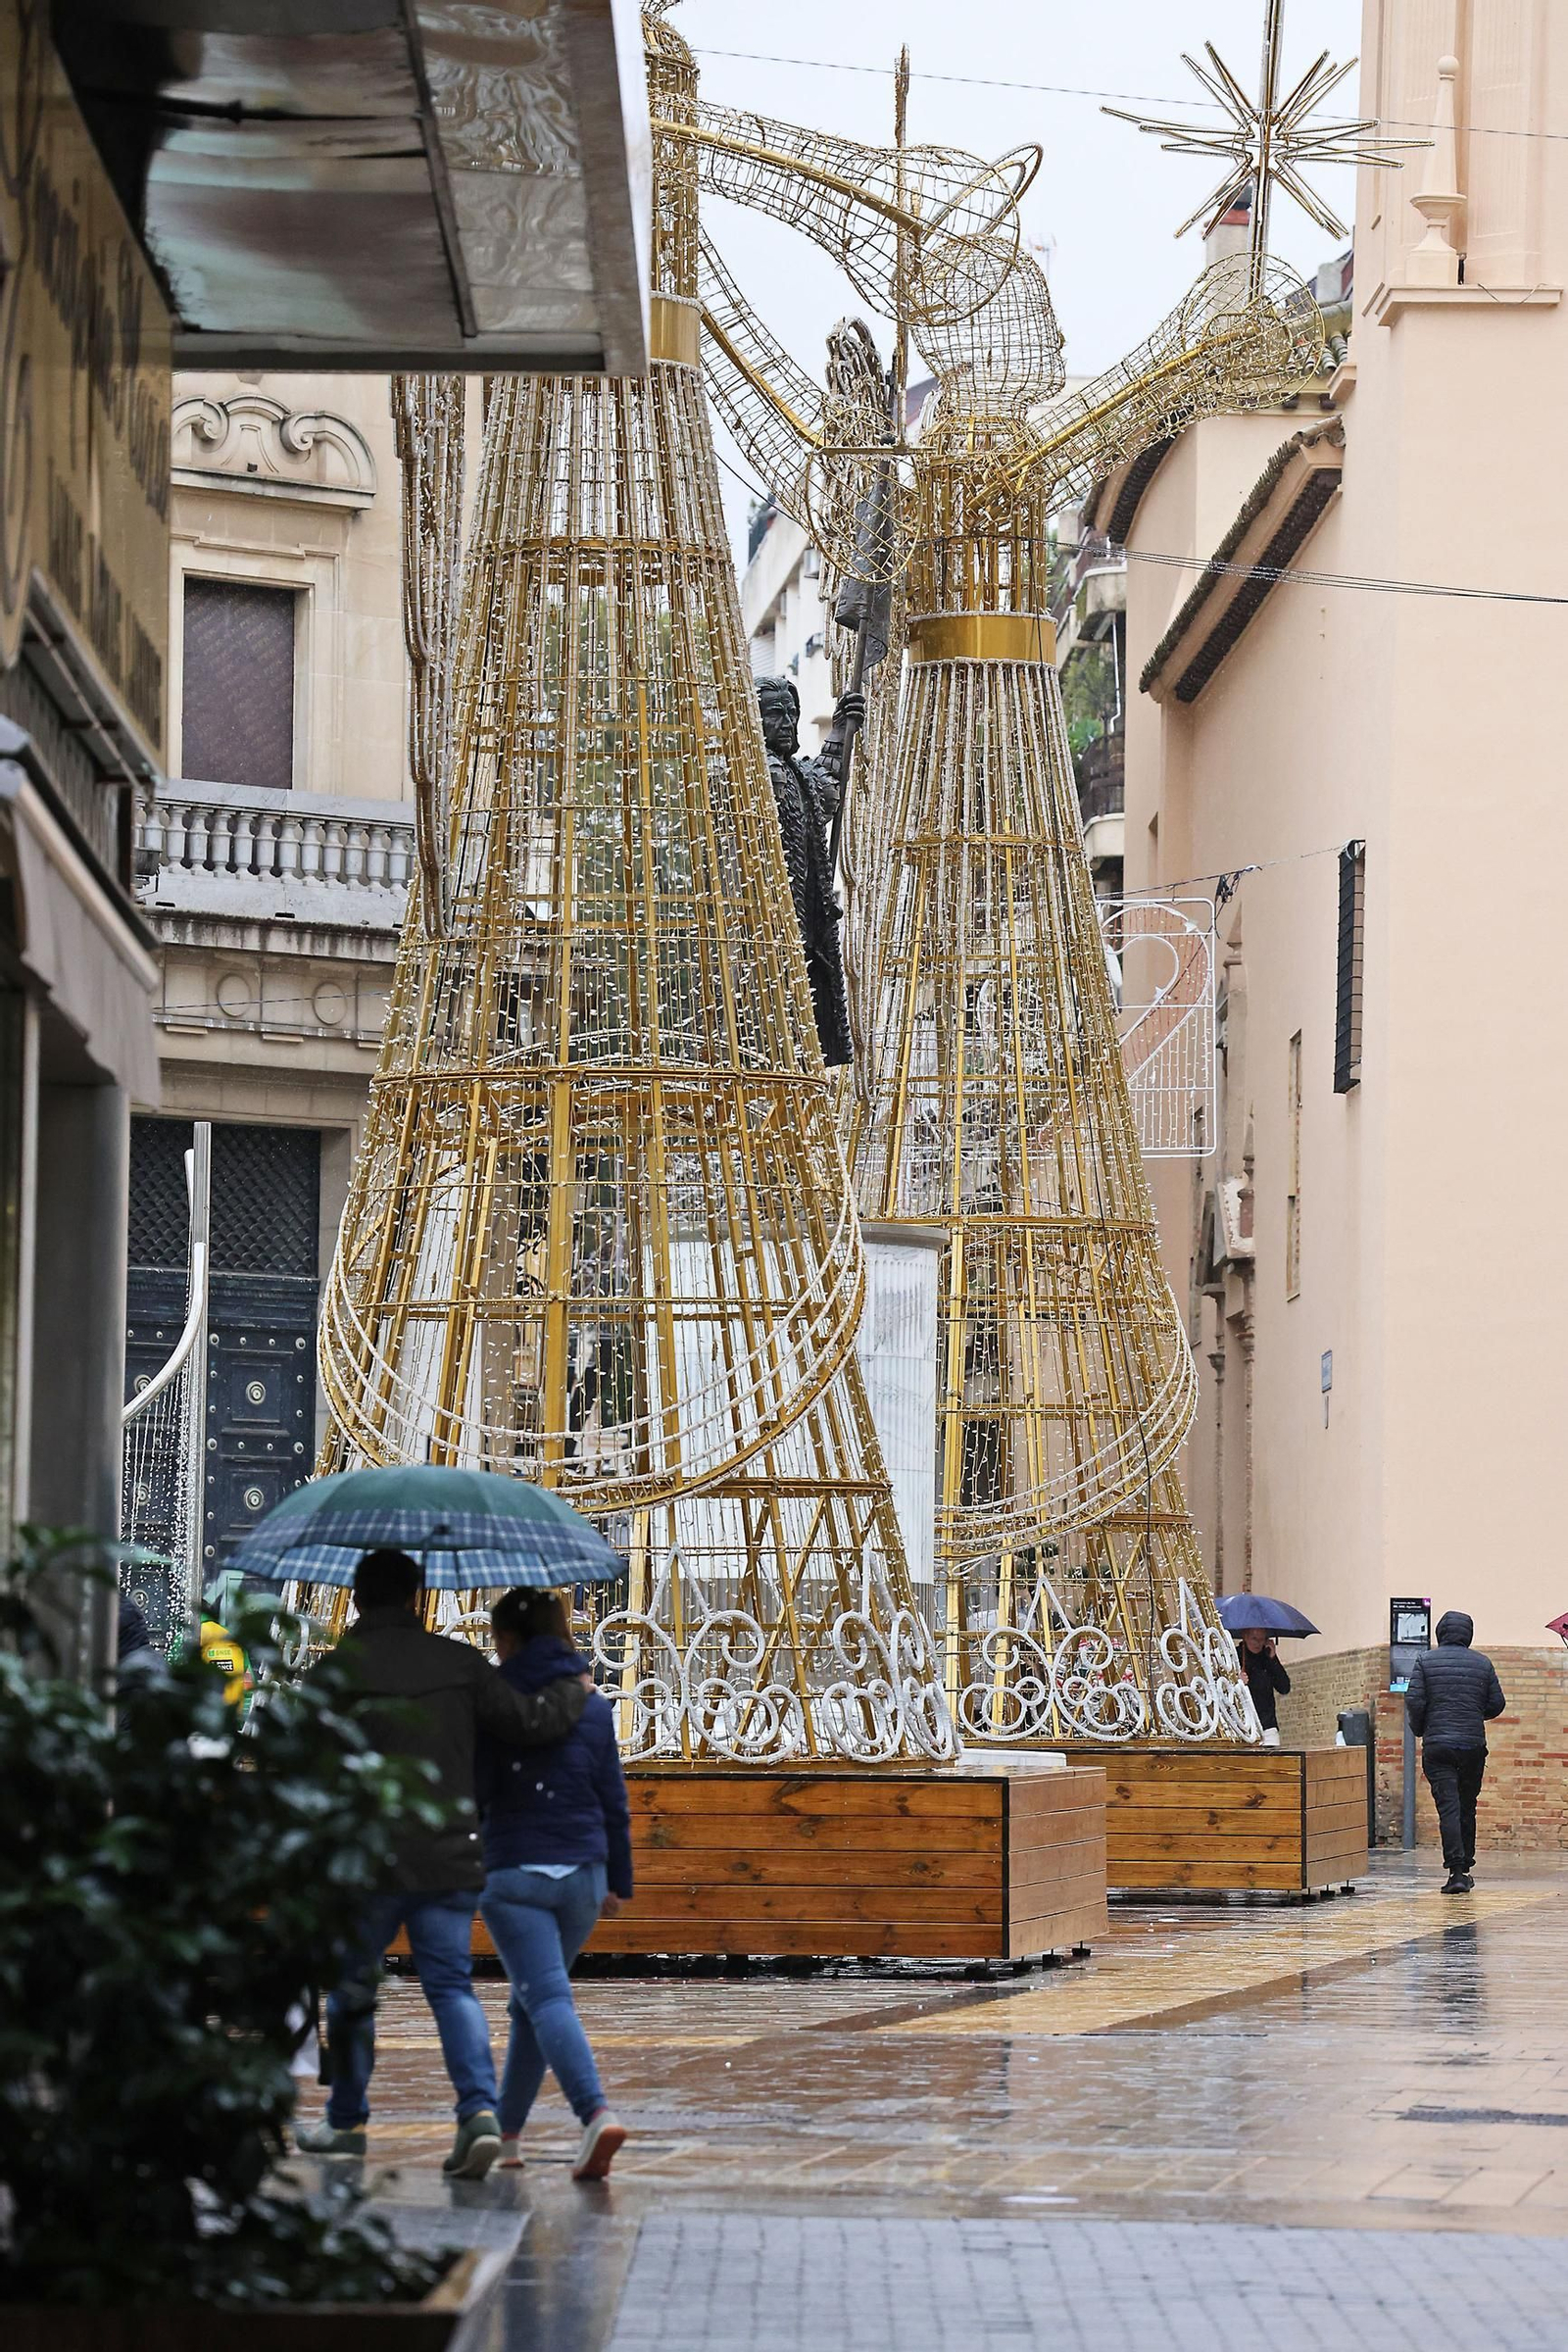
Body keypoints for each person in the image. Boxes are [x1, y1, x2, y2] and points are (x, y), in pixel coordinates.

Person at [294, 1549, 589, 2177]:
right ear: (416, 1599)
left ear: (355, 1599)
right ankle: (478, 2114)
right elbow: (529, 1723)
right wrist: (572, 1686)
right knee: (451, 1988)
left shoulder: (333, 1675)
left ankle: (346, 2123)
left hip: (365, 1863)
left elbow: (302, 1768)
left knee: (352, 1993)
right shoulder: (459, 1664)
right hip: (449, 1856)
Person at [477, 1589, 632, 2183]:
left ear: (509, 1640)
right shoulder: (592, 1705)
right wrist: (616, 1878)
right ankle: (506, 2135)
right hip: (582, 1881)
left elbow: (476, 1790)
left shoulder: (493, 1702)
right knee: (531, 2002)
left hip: (515, 1874)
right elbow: (612, 1802)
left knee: (544, 1999)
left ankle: (594, 2113)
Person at [756, 675, 864, 1066]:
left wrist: (840, 730)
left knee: (806, 1021)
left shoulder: (799, 774)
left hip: (808, 921)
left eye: (792, 713)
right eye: (774, 714)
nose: (786, 722)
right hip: (761, 927)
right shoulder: (746, 772)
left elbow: (829, 781)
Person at [1404, 1609, 1506, 1894]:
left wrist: (1422, 1727)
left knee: (1447, 1806)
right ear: (1468, 1634)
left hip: (1438, 1745)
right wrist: (1473, 1714)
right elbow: (1497, 1704)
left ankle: (1456, 1871)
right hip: (1472, 1745)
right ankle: (1466, 1866)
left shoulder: (1425, 1660)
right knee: (1467, 1804)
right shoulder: (1482, 1664)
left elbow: (1414, 1700)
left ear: (1439, 1632)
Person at [1238, 1626, 1291, 1746]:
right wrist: (1237, 1682)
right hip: (1244, 1725)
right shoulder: (1235, 1656)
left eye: (1262, 1639)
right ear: (1245, 1637)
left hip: (1268, 1725)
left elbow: (1284, 1687)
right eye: (1254, 1639)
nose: (1258, 1643)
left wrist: (1273, 1659)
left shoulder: (1267, 1658)